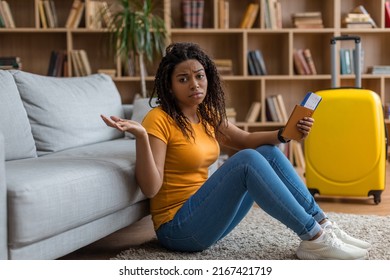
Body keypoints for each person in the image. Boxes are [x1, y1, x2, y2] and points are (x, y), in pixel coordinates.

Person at [101, 42, 371, 260]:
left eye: (199, 76)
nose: (195, 84)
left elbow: (245, 138)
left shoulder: (205, 113)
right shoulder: (157, 119)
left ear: (208, 77)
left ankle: (321, 223)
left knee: (266, 151)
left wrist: (284, 134)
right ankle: (313, 238)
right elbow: (150, 189)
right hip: (178, 230)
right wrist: (140, 137)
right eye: (183, 79)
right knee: (246, 161)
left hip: (206, 217)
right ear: (170, 86)